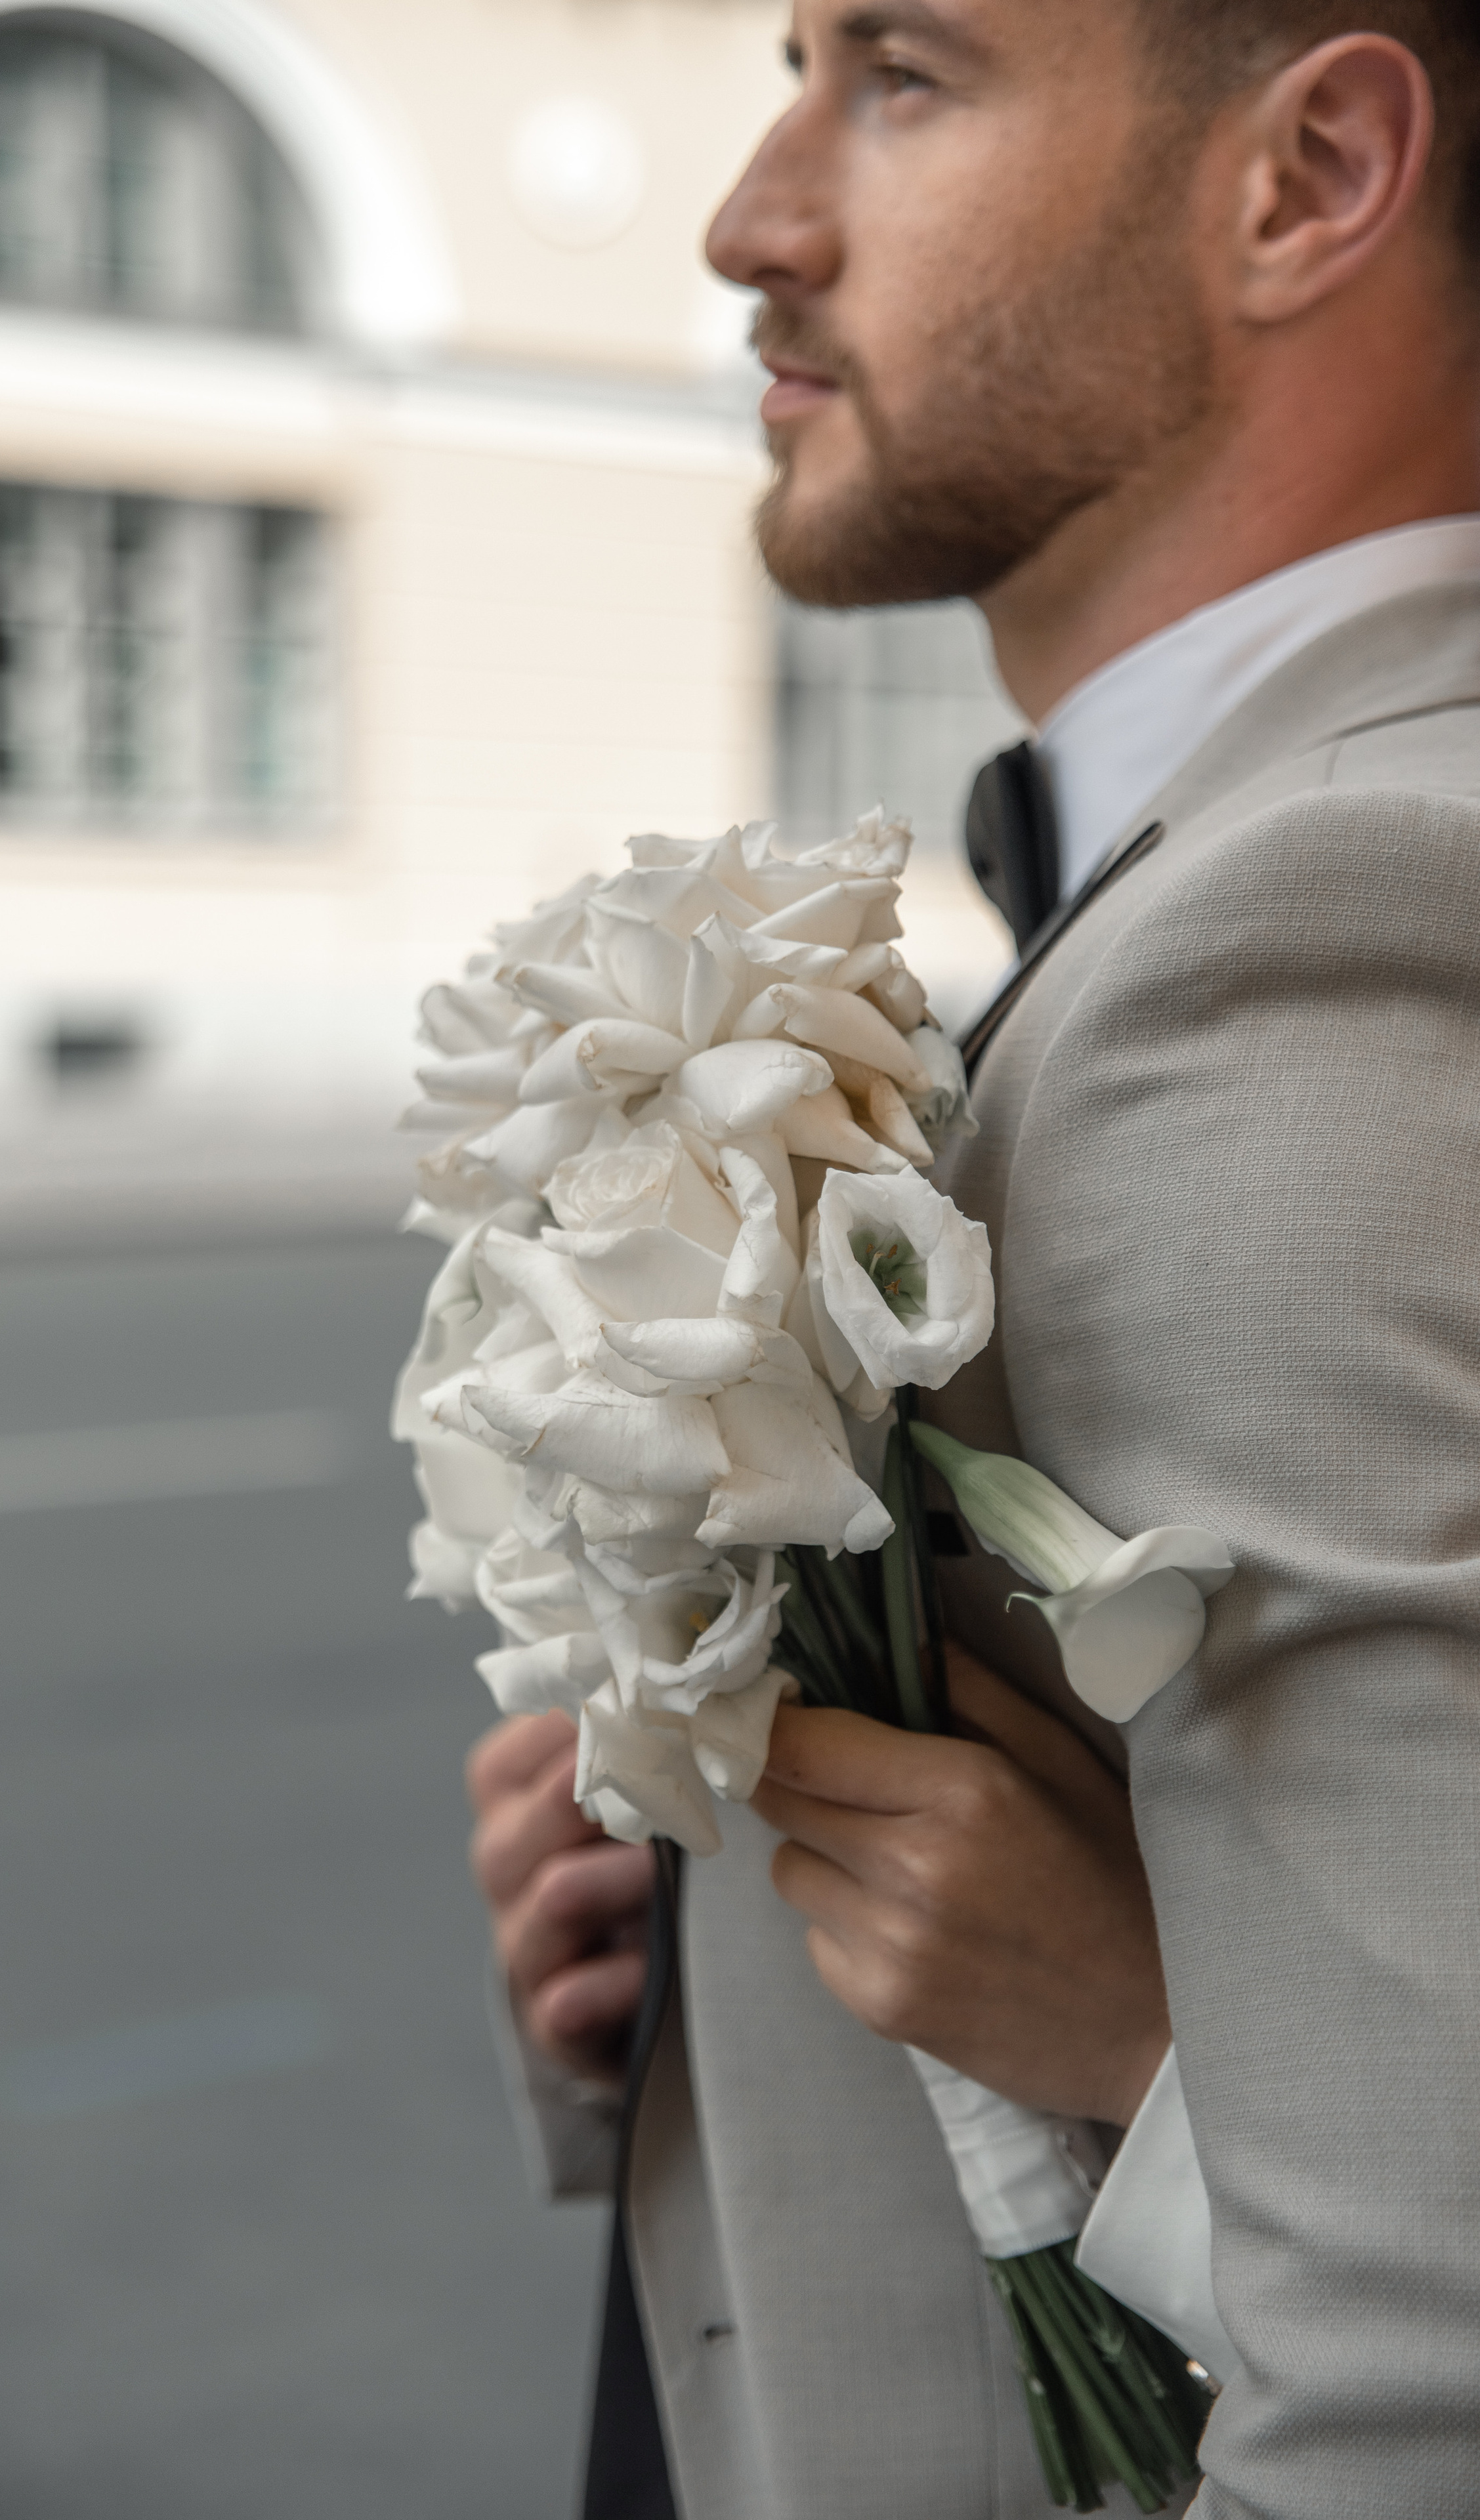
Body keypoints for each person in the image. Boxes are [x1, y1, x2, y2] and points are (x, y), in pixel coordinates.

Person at [468, 3, 1480, 2512]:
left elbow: (1421, 2387)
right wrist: (715, 1955)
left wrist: (1124, 2068)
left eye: (904, 76)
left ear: (1310, 171)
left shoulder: (1317, 943)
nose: (753, 216)